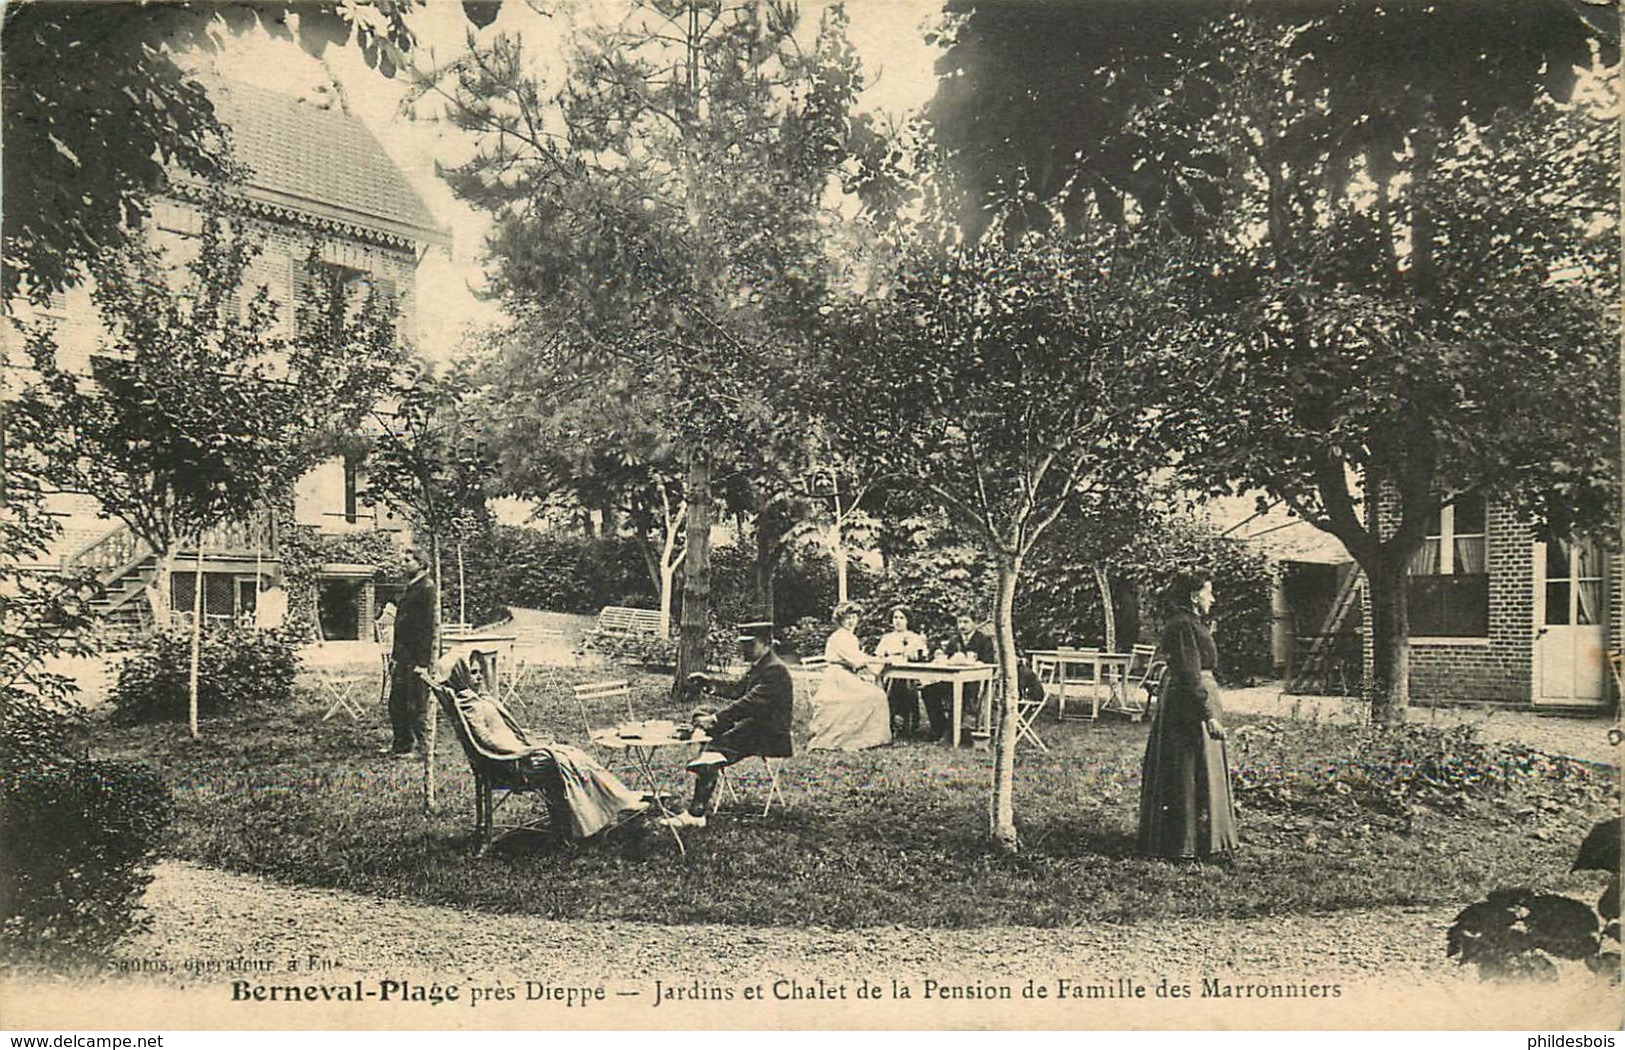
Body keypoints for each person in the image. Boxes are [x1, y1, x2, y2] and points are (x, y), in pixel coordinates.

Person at [445, 650, 647, 839]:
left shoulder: (477, 698)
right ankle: (615, 804)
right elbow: (485, 739)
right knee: (573, 759)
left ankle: (613, 802)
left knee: (574, 756)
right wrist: (524, 749)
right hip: (512, 763)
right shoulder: (469, 703)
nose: (479, 677)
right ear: (461, 676)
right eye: (472, 673)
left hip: (517, 756)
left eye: (480, 672)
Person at [1137, 571, 1240, 862]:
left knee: (1194, 767)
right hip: (1187, 703)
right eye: (1209, 592)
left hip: (1190, 697)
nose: (1213, 598)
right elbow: (1189, 674)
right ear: (1195, 596)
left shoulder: (1190, 623)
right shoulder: (1183, 626)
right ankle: (1185, 844)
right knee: (1186, 767)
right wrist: (1207, 715)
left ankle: (1197, 840)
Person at [658, 621, 794, 829]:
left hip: (769, 734)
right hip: (753, 726)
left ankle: (696, 813)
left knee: (712, 749)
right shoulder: (762, 665)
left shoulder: (775, 670)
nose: (743, 649)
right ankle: (704, 737)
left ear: (766, 643)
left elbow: (749, 703)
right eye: (742, 644)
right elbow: (737, 690)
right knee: (702, 711)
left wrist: (716, 719)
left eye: (750, 644)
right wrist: (708, 682)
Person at [807, 602, 892, 751]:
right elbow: (856, 660)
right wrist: (878, 661)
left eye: (854, 617)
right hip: (838, 678)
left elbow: (859, 656)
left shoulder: (849, 637)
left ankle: (869, 736)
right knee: (875, 695)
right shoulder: (840, 637)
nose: (851, 621)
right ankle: (858, 737)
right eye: (847, 618)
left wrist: (876, 662)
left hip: (846, 675)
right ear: (840, 620)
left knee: (876, 695)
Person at [383, 547, 435, 757]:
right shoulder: (412, 587)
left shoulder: (427, 588)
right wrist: (395, 656)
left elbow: (427, 629)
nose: (403, 563)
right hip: (403, 656)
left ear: (421, 563)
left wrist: (423, 662)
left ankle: (425, 748)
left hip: (416, 657)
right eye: (403, 560)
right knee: (397, 702)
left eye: (408, 560)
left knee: (415, 703)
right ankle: (402, 745)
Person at [920, 611, 996, 742]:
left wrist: (976, 663)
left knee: (959, 694)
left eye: (966, 622)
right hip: (952, 680)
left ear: (974, 623)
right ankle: (938, 727)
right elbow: (946, 658)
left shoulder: (984, 640)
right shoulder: (955, 640)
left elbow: (989, 662)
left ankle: (951, 732)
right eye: (960, 622)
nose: (962, 626)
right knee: (928, 691)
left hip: (974, 683)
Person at [874, 605, 928, 737]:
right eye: (895, 617)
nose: (897, 621)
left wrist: (913, 654)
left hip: (910, 673)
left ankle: (904, 720)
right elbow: (879, 656)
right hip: (889, 672)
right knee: (895, 680)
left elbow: (922, 658)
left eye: (901, 618)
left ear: (907, 620)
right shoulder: (887, 638)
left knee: (904, 681)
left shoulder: (915, 638)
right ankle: (893, 719)